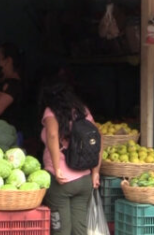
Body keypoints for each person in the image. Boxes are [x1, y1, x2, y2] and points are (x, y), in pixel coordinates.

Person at [40, 81, 101, 235]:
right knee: (80, 230)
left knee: (61, 230)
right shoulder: (83, 111)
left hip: (61, 181)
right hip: (84, 180)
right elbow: (96, 139)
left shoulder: (51, 112)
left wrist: (57, 168)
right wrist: (95, 172)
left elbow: (53, 136)